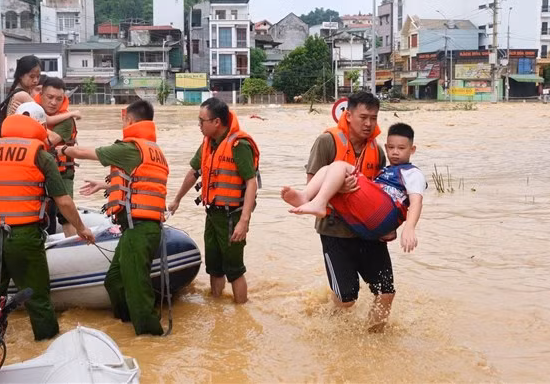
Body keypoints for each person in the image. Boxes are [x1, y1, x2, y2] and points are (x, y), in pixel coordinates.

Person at [0, 102, 94, 341]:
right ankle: (47, 343)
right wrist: (81, 228)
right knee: (37, 295)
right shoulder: (40, 155)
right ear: (40, 126)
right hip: (23, 236)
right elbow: (63, 201)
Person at [64, 100, 168, 336]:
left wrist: (60, 150)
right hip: (139, 228)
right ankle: (127, 326)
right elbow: (137, 183)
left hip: (139, 229)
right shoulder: (152, 150)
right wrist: (104, 185)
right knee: (114, 280)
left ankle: (150, 337)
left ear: (129, 120)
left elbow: (81, 152)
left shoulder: (129, 148)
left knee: (137, 290)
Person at [305, 90, 395, 331]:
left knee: (386, 292)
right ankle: (330, 332)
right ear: (348, 115)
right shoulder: (326, 142)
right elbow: (311, 188)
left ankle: (375, 339)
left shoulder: (377, 151)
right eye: (363, 117)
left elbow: (383, 193)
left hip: (369, 231)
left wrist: (392, 225)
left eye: (373, 118)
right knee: (347, 300)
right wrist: (339, 189)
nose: (368, 124)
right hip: (335, 231)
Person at [169, 97, 260, 304]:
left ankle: (241, 311)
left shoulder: (239, 145)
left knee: (234, 270)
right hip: (212, 213)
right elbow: (194, 172)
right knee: (214, 267)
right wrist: (177, 200)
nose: (199, 125)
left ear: (217, 122)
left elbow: (251, 182)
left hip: (231, 216)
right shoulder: (208, 144)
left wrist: (244, 221)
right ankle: (217, 308)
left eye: (202, 121)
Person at [283, 122, 424, 254]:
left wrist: (409, 227)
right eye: (391, 148)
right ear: (386, 148)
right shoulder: (385, 171)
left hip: (385, 212)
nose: (395, 152)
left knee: (339, 165)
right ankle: (306, 197)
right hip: (369, 225)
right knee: (329, 171)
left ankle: (317, 202)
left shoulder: (412, 173)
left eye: (401, 148)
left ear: (412, 150)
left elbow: (416, 202)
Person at [34, 77, 81, 234]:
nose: (54, 102)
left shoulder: (67, 121)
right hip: (38, 173)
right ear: (41, 95)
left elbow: (52, 140)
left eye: (59, 99)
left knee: (67, 215)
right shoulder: (31, 111)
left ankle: (73, 244)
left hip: (62, 174)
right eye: (50, 97)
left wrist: (32, 122)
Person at [0, 55, 41, 148]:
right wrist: (66, 115)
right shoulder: (22, 95)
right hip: (12, 143)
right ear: (21, 75)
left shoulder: (15, 91)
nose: (36, 80)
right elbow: (44, 119)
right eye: (31, 76)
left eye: (38, 76)